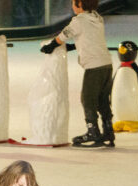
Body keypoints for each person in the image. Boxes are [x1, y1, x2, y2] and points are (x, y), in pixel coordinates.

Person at [41, 0, 113, 147]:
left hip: (94, 67)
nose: (72, 5)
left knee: (88, 99)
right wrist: (74, 46)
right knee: (102, 99)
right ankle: (108, 130)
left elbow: (63, 36)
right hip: (106, 64)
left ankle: (92, 131)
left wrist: (51, 46)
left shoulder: (78, 21)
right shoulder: (97, 17)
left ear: (80, 4)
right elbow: (90, 38)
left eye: (74, 3)